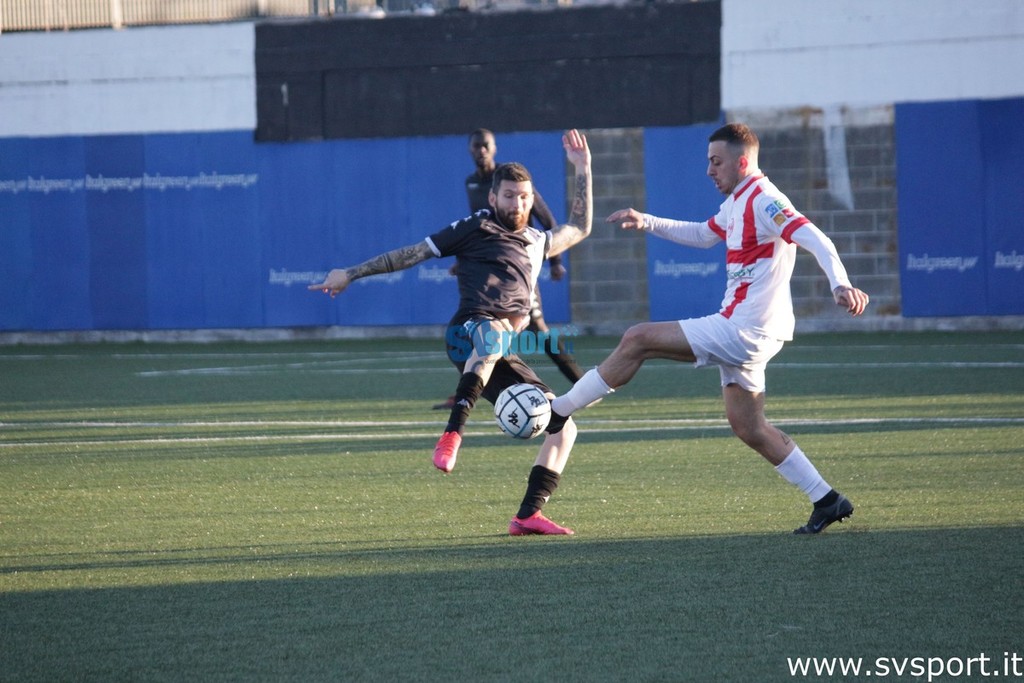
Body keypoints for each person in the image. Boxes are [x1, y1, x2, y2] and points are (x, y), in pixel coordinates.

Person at [549, 122, 870, 535]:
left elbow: (816, 238)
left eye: (716, 162)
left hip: (744, 329)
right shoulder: (738, 201)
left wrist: (840, 283)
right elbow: (703, 235)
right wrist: (647, 221)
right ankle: (827, 499)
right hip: (748, 330)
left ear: (742, 163)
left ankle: (558, 411)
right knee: (749, 427)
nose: (709, 171)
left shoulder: (765, 200)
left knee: (637, 338)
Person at [310, 129, 593, 536]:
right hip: (466, 333)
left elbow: (580, 226)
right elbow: (412, 253)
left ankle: (527, 515)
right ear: (493, 197)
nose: (517, 204)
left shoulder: (536, 240)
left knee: (564, 424)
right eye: (509, 196)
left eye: (524, 197)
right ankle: (452, 435)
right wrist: (351, 274)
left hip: (501, 350)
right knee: (494, 334)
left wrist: (583, 168)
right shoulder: (475, 227)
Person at [433, 129, 583, 409]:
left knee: (537, 329)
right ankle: (469, 390)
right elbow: (481, 229)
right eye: (476, 146)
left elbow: (547, 219)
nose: (481, 150)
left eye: (486, 145)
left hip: (519, 267)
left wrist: (555, 262)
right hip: (487, 271)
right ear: (469, 149)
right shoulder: (471, 182)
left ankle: (582, 383)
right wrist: (464, 260)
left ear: (494, 148)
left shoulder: (510, 180)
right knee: (477, 327)